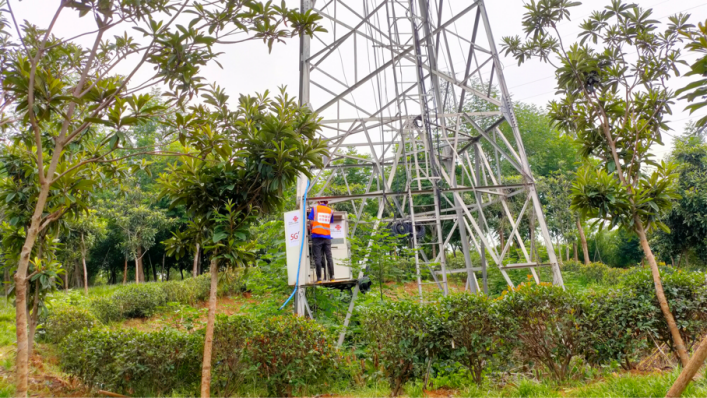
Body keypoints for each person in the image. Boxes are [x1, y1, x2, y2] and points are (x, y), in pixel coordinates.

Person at [308, 200, 335, 283]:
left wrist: (310, 228)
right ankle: (332, 277)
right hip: (327, 237)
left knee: (318, 257)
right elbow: (330, 222)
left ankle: (319, 278)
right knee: (329, 257)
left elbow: (311, 221)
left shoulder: (315, 208)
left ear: (319, 202)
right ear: (326, 203)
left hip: (317, 236)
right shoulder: (330, 211)